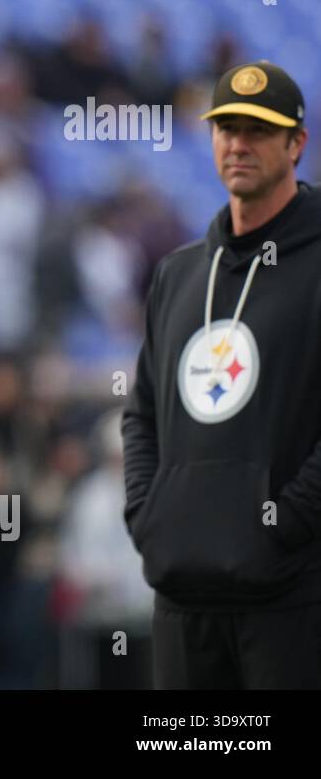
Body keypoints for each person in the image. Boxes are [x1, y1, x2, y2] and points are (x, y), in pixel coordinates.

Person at [123, 61, 321, 689]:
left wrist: (285, 525)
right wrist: (150, 516)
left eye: (259, 130)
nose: (239, 144)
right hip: (183, 589)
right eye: (226, 128)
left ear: (297, 143)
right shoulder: (178, 273)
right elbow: (142, 412)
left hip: (292, 595)